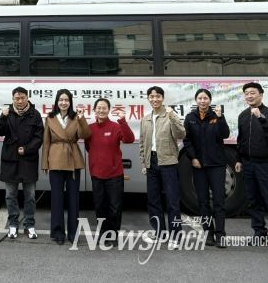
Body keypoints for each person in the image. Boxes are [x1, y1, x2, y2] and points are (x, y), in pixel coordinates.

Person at [235, 82, 268, 253]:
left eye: (253, 93)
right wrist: (238, 159)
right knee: (253, 201)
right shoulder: (243, 115)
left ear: (261, 95)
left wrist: (261, 118)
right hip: (248, 164)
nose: (249, 96)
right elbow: (241, 140)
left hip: (266, 164)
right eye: (246, 93)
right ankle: (259, 233)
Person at [42, 89, 91, 245]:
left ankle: (73, 233)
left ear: (70, 102)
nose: (63, 103)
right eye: (61, 100)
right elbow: (46, 142)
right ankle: (58, 233)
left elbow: (85, 135)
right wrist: (45, 163)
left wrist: (82, 119)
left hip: (73, 159)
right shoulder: (50, 118)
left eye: (66, 100)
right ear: (57, 101)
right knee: (56, 199)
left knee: (73, 199)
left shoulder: (76, 117)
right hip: (55, 159)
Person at [139, 86, 185, 249]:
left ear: (163, 98)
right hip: (151, 162)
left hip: (168, 162)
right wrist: (144, 163)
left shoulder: (170, 115)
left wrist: (172, 117)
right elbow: (142, 143)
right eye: (151, 97)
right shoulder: (145, 119)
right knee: (153, 201)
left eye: (158, 96)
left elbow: (181, 134)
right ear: (148, 99)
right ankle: (160, 233)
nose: (155, 99)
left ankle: (176, 236)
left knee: (172, 201)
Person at [0, 86, 44, 240]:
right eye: (17, 98)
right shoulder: (7, 113)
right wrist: (2, 117)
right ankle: (13, 224)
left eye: (23, 98)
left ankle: (29, 225)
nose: (20, 101)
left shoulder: (35, 114)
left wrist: (27, 149)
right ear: (13, 99)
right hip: (10, 160)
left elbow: (39, 137)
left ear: (27, 98)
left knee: (30, 196)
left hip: (28, 160)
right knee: (10, 195)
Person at [183, 88, 230, 248]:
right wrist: (193, 158)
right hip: (199, 166)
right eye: (200, 98)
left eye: (205, 98)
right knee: (203, 201)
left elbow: (224, 134)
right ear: (196, 100)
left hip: (217, 164)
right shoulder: (190, 118)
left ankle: (220, 235)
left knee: (219, 201)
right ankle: (208, 233)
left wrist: (220, 117)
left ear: (210, 100)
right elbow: (187, 140)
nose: (203, 101)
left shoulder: (216, 116)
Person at [85, 98, 134, 240]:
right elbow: (89, 148)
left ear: (108, 110)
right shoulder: (90, 128)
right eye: (99, 108)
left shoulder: (116, 126)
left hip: (114, 175)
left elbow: (129, 139)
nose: (101, 110)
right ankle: (103, 233)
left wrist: (123, 121)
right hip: (96, 175)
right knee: (100, 207)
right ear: (94, 110)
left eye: (104, 108)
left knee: (114, 207)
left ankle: (113, 235)